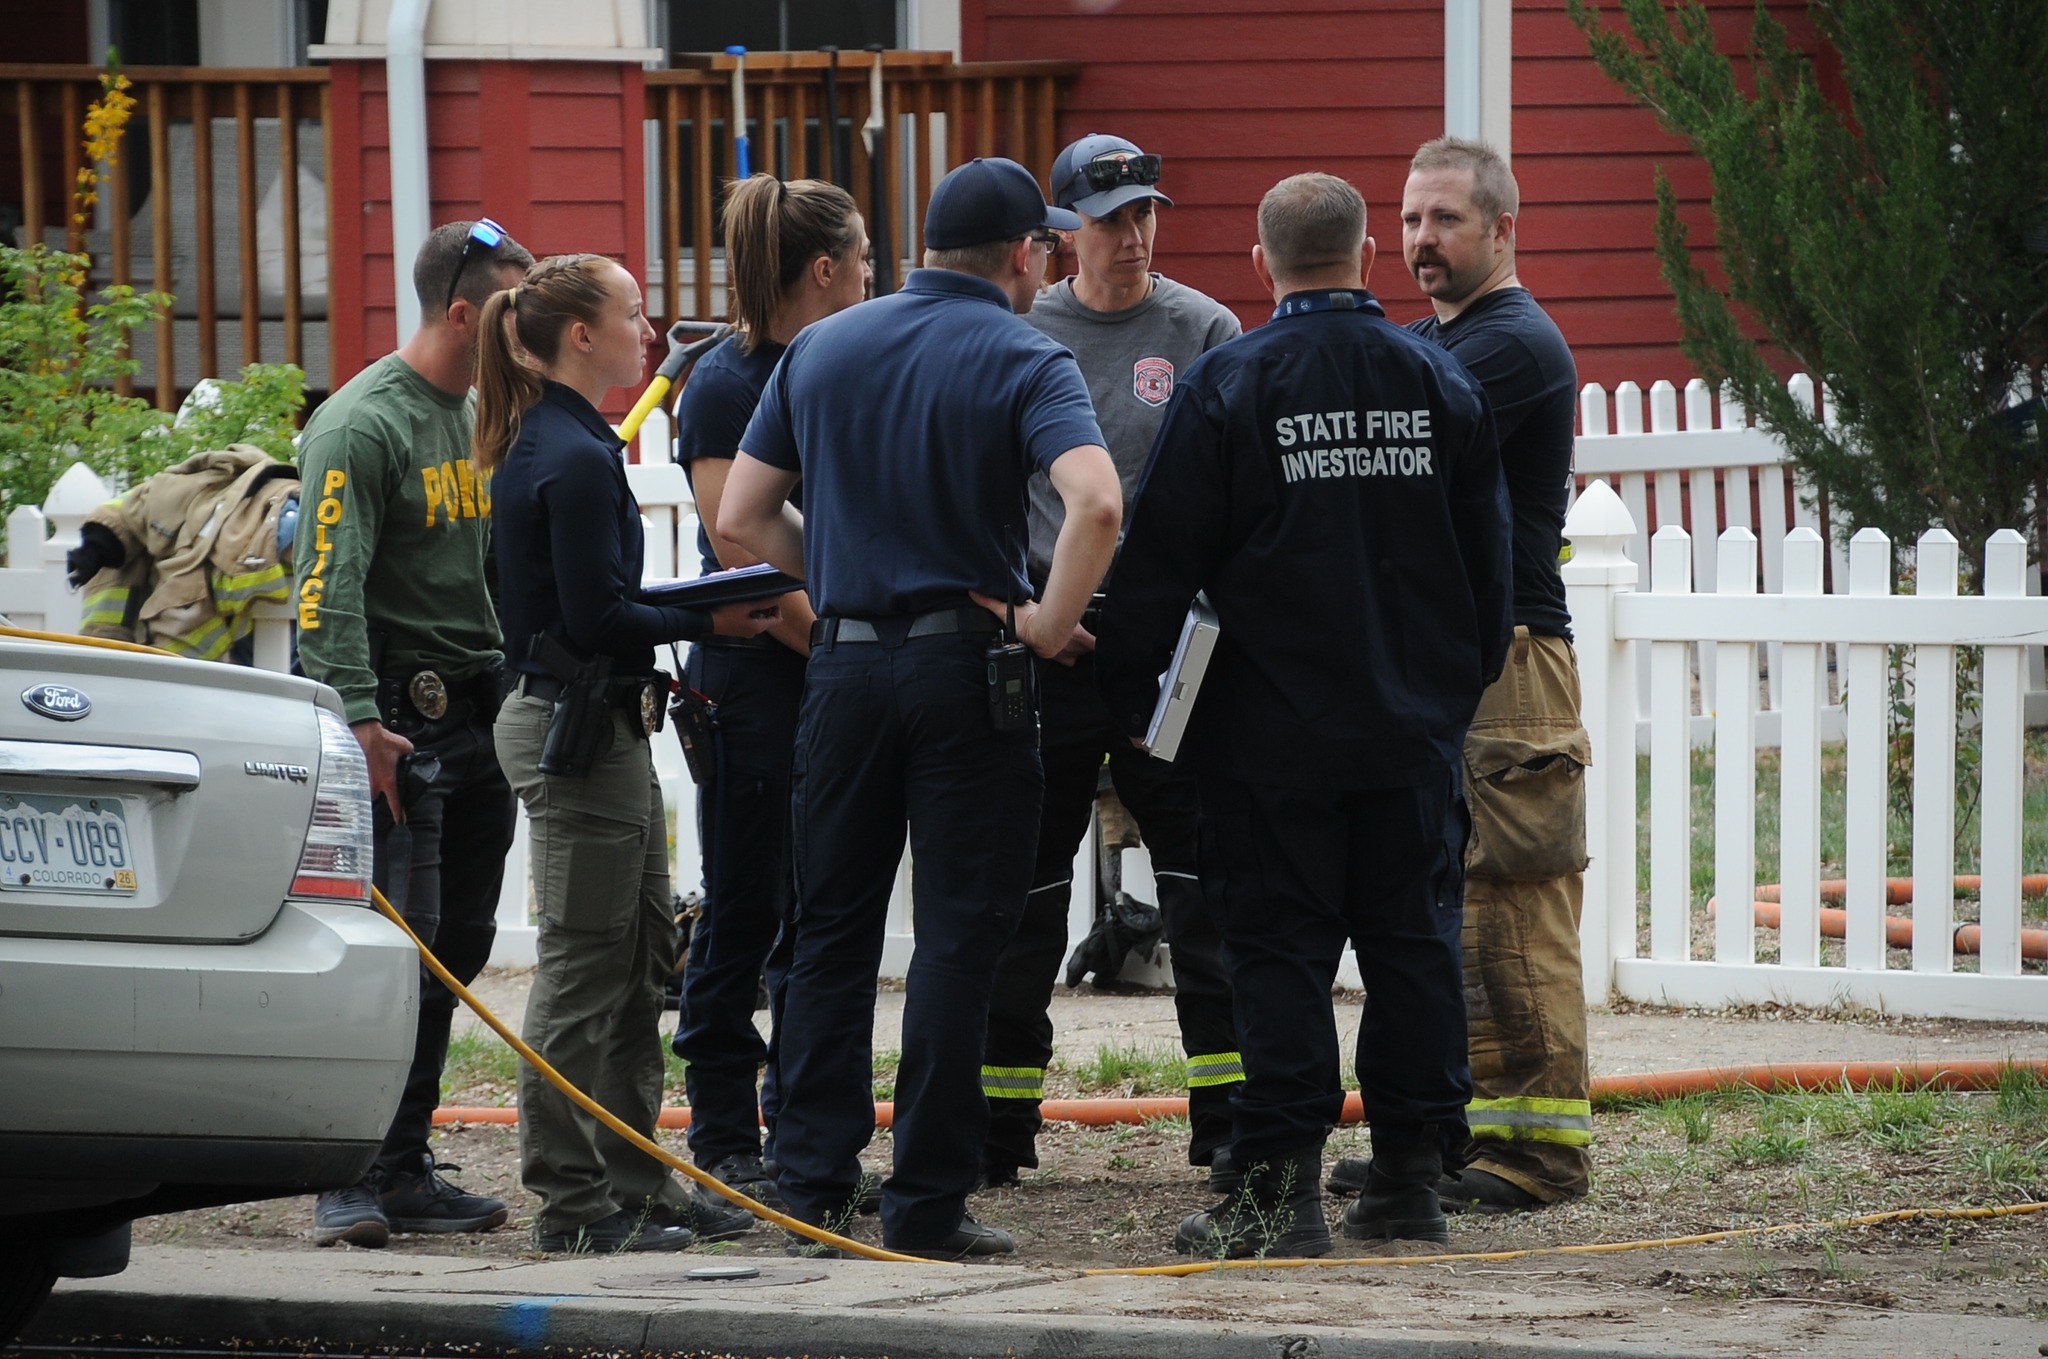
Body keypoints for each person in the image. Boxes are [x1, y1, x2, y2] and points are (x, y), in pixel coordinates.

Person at [1096, 172, 1512, 1257]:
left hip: (1267, 736)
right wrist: (1449, 694)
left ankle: (1280, 1193)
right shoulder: (1440, 380)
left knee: (1277, 956)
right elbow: (1491, 569)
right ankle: (1410, 1178)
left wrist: (1128, 701)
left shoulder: (1229, 383)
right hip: (1409, 733)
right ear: (1368, 256)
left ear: (1260, 266)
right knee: (1411, 948)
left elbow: (1157, 562)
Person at [719, 157, 1122, 1260]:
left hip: (843, 670)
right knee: (955, 936)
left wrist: (846, 568)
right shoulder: (1023, 353)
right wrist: (1041, 622)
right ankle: (927, 1202)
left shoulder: (822, 347)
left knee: (831, 931)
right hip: (966, 673)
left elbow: (742, 514)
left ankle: (809, 1188)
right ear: (1022, 255)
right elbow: (1096, 502)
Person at [476, 253, 777, 1253]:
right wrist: (711, 620)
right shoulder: (565, 455)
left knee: (638, 956)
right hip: (575, 733)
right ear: (580, 336)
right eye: (633, 314)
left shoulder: (563, 441)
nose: (647, 332)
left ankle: (636, 1183)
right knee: (581, 967)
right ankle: (571, 1202)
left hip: (604, 726)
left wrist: (684, 615)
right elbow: (595, 616)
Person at [1329, 137, 1591, 1214]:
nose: (1420, 240)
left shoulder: (1510, 344)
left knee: (1511, 904)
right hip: (1449, 659)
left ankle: (1536, 1152)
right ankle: (1446, 1137)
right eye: (1407, 221)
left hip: (1513, 659)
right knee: (1447, 904)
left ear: (1502, 229)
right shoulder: (1431, 340)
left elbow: (1392, 445)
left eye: (1444, 219)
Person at [980, 133, 1244, 1191]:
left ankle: (1227, 1123)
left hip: (1167, 654)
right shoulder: (1020, 334)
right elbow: (985, 497)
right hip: (1046, 650)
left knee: (1201, 887)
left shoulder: (1203, 331)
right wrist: (1029, 615)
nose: (1132, 237)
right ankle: (999, 1127)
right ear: (1060, 234)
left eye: (1145, 215)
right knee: (1024, 893)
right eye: (1109, 220)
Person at [297, 218, 534, 1249]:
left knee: (456, 946)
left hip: (477, 715)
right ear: (465, 313)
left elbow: (491, 572)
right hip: (396, 725)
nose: (532, 328)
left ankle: (402, 1167)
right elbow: (324, 588)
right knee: (390, 955)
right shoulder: (360, 425)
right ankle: (344, 1178)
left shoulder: (479, 416)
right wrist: (356, 718)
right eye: (517, 310)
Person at [669, 174, 870, 1207]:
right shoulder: (722, 384)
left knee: (816, 915)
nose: (875, 275)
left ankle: (801, 1134)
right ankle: (720, 1135)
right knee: (743, 912)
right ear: (824, 269)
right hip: (753, 689)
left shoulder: (840, 359)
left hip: (828, 675)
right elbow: (738, 544)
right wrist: (838, 645)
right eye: (864, 257)